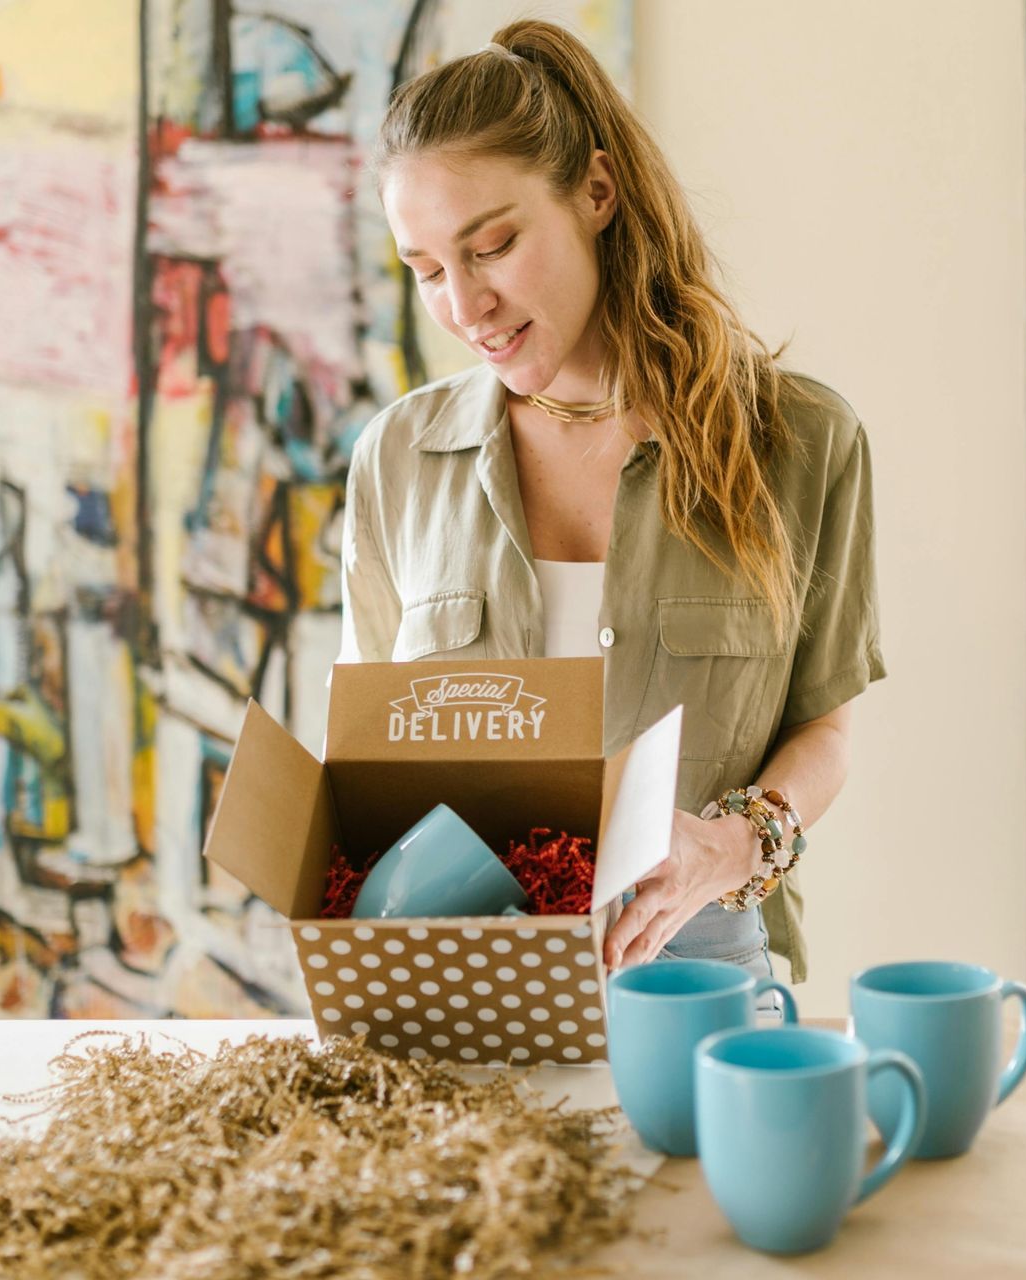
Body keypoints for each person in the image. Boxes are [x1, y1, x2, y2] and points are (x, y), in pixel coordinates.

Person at [339, 18, 883, 984]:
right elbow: (371, 762)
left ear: (596, 191)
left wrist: (738, 841)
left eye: (493, 246)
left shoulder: (804, 443)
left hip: (702, 999)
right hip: (468, 1013)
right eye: (425, 272)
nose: (465, 308)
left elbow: (824, 729)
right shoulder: (398, 459)